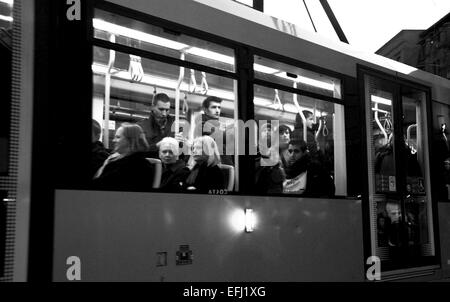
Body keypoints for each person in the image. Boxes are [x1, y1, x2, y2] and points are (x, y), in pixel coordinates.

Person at [92, 123, 154, 191]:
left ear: (131, 140)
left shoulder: (135, 166)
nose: (113, 140)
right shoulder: (116, 161)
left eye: (118, 137)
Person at [194, 96, 234, 165]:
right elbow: (221, 137)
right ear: (206, 110)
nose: (217, 110)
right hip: (212, 165)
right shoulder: (202, 125)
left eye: (219, 107)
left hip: (222, 163)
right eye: (214, 107)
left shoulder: (218, 125)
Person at [138, 93, 175, 158]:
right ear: (152, 107)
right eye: (161, 109)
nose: (164, 114)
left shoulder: (176, 126)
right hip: (149, 166)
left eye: (167, 110)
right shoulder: (141, 127)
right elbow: (136, 152)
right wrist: (156, 146)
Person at [254, 122, 285, 194]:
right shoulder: (256, 149)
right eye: (264, 131)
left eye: (269, 130)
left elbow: (282, 166)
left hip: (275, 183)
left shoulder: (277, 149)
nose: (267, 132)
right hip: (260, 182)